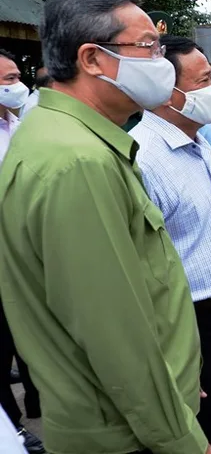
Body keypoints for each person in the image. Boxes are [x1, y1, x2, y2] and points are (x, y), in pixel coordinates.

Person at [0, 0, 211, 453]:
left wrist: (175, 376)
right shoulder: (77, 161)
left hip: (131, 415)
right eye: (149, 47)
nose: (160, 59)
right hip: (128, 434)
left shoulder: (67, 138)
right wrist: (181, 438)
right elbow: (115, 337)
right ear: (92, 59)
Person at [130, 34, 211, 454]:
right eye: (203, 81)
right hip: (187, 328)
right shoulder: (145, 160)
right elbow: (142, 271)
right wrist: (171, 359)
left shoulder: (200, 143)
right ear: (168, 92)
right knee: (196, 438)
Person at [0, 51, 43, 454]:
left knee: (31, 334)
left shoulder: (20, 123)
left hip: (25, 253)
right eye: (7, 79)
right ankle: (11, 428)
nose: (17, 84)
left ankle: (37, 401)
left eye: (16, 75)